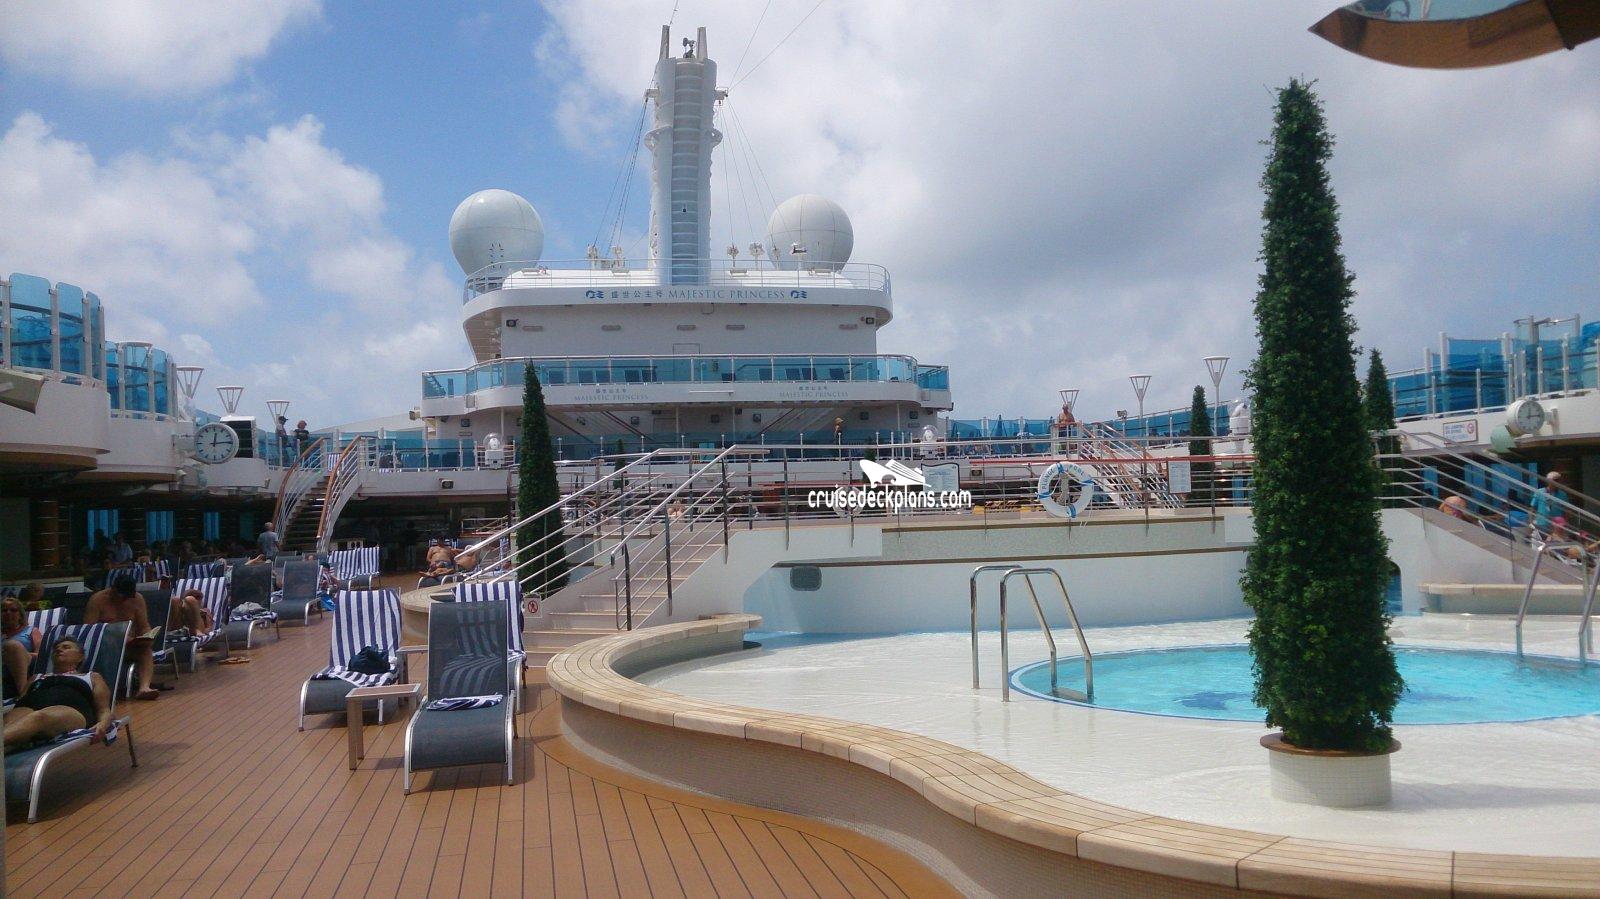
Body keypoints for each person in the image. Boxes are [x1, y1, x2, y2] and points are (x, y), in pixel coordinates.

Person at [3, 638, 113, 750]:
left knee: (38, 718)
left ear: (80, 657)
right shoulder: (36, 677)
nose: (59, 649)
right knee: (8, 724)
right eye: (56, 649)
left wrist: (103, 724)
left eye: (66, 647)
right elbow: (21, 698)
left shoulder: (91, 677)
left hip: (70, 709)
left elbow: (103, 709)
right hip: (27, 706)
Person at [84, 576, 158, 700]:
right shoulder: (97, 600)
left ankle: (144, 687)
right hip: (106, 647)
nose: (125, 600)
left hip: (130, 646)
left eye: (128, 597)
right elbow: (89, 630)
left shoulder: (137, 599)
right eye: (122, 597)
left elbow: (144, 625)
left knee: (145, 651)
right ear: (113, 590)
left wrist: (148, 636)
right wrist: (118, 636)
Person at [2, 597, 43, 701]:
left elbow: (41, 655)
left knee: (13, 646)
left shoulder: (31, 631)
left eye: (13, 610)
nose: (8, 613)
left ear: (20, 614)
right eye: (4, 610)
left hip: (25, 667)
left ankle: (23, 695)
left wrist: (19, 654)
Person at [1532, 472, 1568, 537]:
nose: (1557, 482)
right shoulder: (1539, 492)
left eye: (1558, 480)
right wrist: (1531, 521)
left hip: (1557, 526)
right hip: (1542, 523)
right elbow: (1533, 507)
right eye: (1555, 480)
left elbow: (1565, 511)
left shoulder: (1563, 494)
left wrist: (1565, 524)